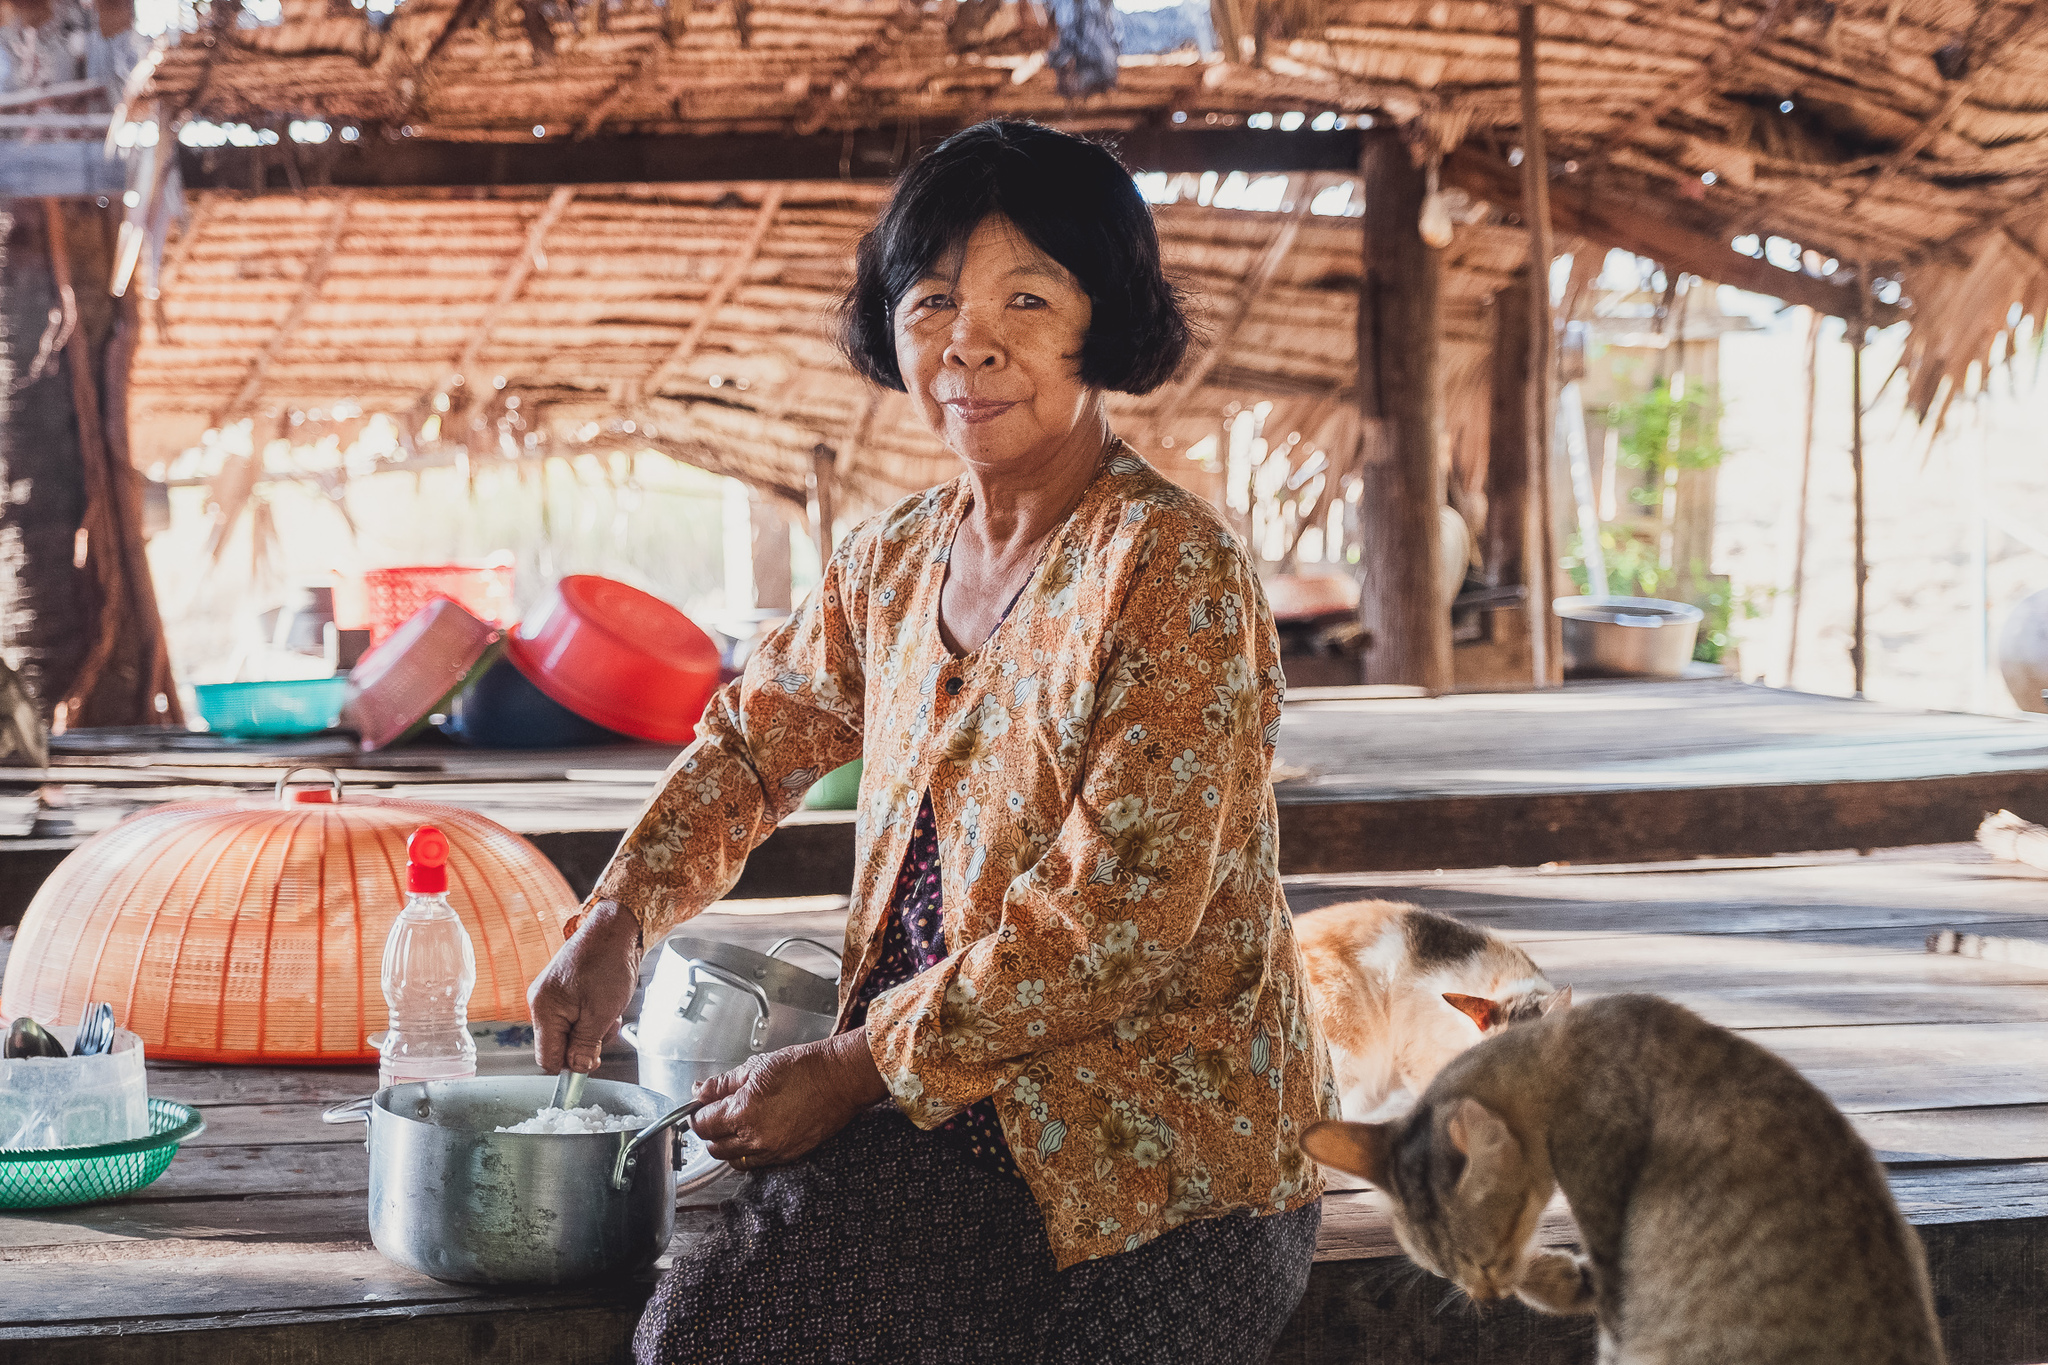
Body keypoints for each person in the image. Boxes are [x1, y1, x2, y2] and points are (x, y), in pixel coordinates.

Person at [528, 119, 1336, 1364]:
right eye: (933, 299)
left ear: (1099, 320)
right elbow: (755, 743)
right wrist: (619, 918)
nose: (970, 342)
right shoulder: (898, 558)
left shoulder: (1170, 567)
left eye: (1027, 296)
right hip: (938, 1109)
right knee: (708, 1337)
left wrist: (849, 1069)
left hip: (1169, 1146)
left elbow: (1116, 917)